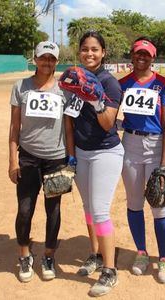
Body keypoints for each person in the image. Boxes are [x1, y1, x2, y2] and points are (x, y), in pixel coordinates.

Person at [63, 31, 124, 297]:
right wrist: (71, 156)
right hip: (82, 153)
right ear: (79, 52)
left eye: (95, 49)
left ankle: (110, 271)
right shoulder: (72, 78)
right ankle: (95, 254)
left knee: (100, 211)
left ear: (103, 52)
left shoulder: (110, 83)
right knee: (88, 209)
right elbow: (68, 121)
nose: (90, 53)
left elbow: (109, 124)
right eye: (85, 49)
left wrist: (96, 99)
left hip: (105, 153)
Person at [8, 41, 69, 282]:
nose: (47, 62)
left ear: (56, 61)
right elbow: (14, 127)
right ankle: (24, 254)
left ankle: (48, 255)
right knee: (25, 209)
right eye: (43, 58)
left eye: (52, 58)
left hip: (56, 158)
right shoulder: (20, 86)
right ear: (35, 59)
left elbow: (69, 125)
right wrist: (13, 160)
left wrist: (70, 158)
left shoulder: (65, 88)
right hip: (28, 158)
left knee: (53, 210)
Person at [119, 37, 165, 283]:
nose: (142, 57)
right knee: (134, 202)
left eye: (147, 54)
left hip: (155, 146)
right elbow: (111, 114)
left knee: (159, 203)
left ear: (153, 57)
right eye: (138, 53)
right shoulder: (121, 84)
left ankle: (164, 259)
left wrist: (164, 163)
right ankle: (141, 252)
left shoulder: (163, 85)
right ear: (132, 55)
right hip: (130, 144)